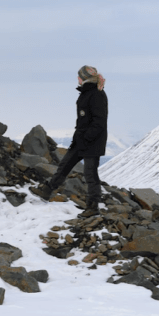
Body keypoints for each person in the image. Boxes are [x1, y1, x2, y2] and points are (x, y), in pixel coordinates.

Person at [32, 65, 109, 217]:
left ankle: (93, 207)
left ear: (84, 78)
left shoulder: (97, 94)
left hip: (92, 141)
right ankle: (46, 191)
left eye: (78, 76)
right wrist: (79, 138)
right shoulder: (87, 92)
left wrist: (87, 137)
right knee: (65, 165)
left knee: (90, 174)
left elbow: (99, 122)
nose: (77, 79)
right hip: (81, 139)